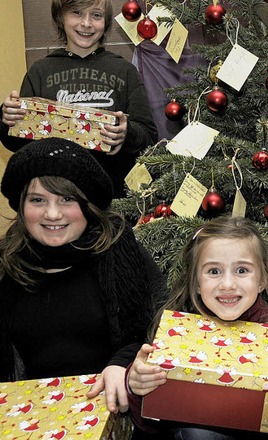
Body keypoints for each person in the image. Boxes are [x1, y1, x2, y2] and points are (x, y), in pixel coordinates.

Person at [126, 217, 268, 439]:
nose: (228, 284)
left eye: (242, 270)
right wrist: (137, 387)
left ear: (262, 280)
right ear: (196, 283)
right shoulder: (175, 337)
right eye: (213, 271)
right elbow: (151, 426)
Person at [0, 137, 167, 414]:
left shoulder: (119, 251)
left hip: (117, 413)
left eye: (67, 199)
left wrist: (122, 363)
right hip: (32, 417)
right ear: (21, 206)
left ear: (87, 205)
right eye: (38, 200)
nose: (52, 214)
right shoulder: (6, 265)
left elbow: (160, 326)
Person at [0, 0, 157, 198]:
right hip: (56, 197)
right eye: (77, 13)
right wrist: (7, 120)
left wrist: (128, 134)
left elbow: (149, 137)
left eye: (96, 15)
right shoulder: (40, 71)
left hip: (112, 199)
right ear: (60, 18)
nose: (86, 23)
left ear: (106, 22)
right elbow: (20, 144)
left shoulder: (125, 71)